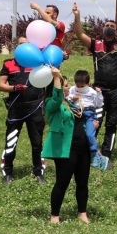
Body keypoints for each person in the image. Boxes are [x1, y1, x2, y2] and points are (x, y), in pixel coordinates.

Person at [73, 2, 117, 168]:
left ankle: (106, 154)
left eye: (112, 26)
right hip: (98, 91)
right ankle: (92, 153)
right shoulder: (95, 44)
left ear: (116, 30)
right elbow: (79, 33)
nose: (109, 27)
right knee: (95, 121)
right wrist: (77, 15)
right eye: (107, 25)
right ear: (102, 29)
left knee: (112, 123)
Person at [42, 68, 92, 224]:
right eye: (66, 86)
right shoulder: (51, 104)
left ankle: (82, 213)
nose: (68, 88)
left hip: (82, 147)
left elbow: (84, 117)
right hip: (66, 149)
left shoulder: (72, 102)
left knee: (82, 182)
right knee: (62, 182)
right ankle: (54, 216)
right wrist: (57, 78)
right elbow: (57, 99)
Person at [0, 36, 46, 185]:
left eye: (27, 45)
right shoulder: (8, 63)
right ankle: (8, 171)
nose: (24, 47)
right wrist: (14, 88)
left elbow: (52, 73)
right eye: (20, 45)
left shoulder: (39, 63)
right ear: (16, 47)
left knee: (37, 142)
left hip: (35, 107)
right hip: (16, 108)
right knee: (11, 141)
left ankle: (38, 171)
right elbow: (1, 85)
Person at [67, 70, 108, 170]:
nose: (80, 88)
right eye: (78, 86)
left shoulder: (92, 92)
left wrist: (99, 94)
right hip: (76, 113)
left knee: (90, 134)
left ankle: (96, 154)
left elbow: (98, 104)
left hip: (89, 114)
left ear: (88, 84)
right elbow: (67, 97)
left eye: (82, 86)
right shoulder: (73, 89)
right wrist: (73, 97)